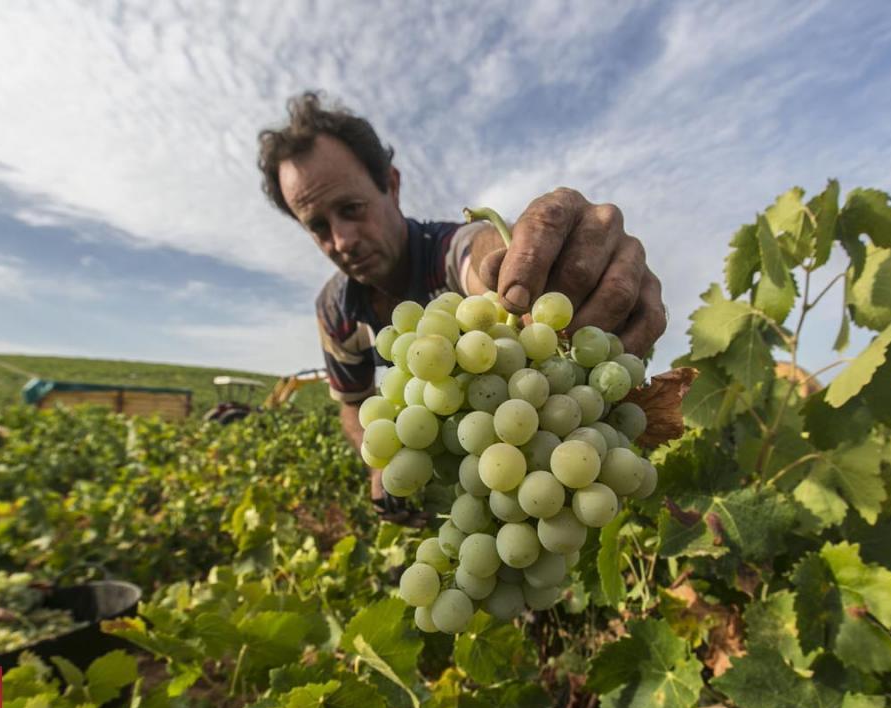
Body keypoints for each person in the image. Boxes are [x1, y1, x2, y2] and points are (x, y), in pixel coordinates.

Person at [257, 91, 668, 524]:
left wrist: (534, 261)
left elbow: (481, 260)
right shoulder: (334, 310)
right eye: (318, 226)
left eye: (351, 209)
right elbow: (352, 402)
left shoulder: (447, 252)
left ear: (392, 186)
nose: (341, 240)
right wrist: (378, 457)